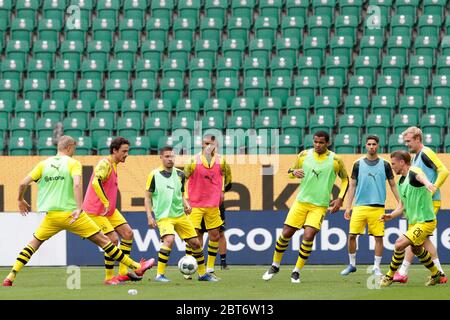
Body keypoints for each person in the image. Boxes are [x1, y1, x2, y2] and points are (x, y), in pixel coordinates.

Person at [2, 136, 154, 287]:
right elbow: (76, 185)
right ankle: (135, 266)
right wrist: (79, 208)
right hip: (72, 215)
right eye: (74, 148)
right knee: (106, 241)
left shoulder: (43, 164)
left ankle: (10, 277)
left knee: (33, 244)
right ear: (69, 147)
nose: (74, 151)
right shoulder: (73, 163)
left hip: (51, 217)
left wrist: (20, 200)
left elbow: (23, 183)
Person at [262, 130, 349, 283]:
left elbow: (345, 180)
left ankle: (296, 271)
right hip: (301, 202)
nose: (317, 145)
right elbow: (290, 172)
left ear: (327, 143)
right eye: (315, 141)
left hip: (319, 206)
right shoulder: (303, 155)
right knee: (286, 233)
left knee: (308, 235)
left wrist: (340, 199)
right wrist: (294, 172)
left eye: (321, 142)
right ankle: (275, 265)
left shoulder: (335, 160)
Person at [144, 146, 216, 281]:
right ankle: (159, 274)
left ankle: (202, 274)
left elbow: (181, 195)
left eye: (172, 156)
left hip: (180, 216)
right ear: (161, 158)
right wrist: (149, 215)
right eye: (166, 156)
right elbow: (147, 197)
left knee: (195, 243)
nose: (170, 159)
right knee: (169, 240)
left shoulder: (180, 174)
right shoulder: (154, 174)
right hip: (164, 216)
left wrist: (186, 204)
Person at [379, 150, 447, 287]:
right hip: (414, 223)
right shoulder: (400, 182)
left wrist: (428, 183)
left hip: (425, 222)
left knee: (399, 244)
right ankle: (436, 274)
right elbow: (402, 205)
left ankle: (389, 276)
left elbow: (420, 177)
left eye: (393, 164)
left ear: (402, 162)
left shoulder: (413, 171)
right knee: (416, 249)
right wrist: (391, 215)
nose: (392, 166)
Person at [393, 127, 449, 284]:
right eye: (405, 142)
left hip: (430, 202)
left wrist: (433, 189)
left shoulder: (426, 152)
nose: (407, 144)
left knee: (413, 238)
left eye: (409, 141)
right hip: (423, 204)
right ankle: (440, 274)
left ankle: (403, 271)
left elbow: (444, 171)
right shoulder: (417, 156)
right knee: (423, 240)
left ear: (418, 139)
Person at [340, 135, 400, 276]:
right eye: (369, 144)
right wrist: (348, 207)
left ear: (378, 146)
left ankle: (376, 267)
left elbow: (393, 185)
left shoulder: (385, 164)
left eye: (374, 144)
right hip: (360, 206)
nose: (371, 146)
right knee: (351, 236)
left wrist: (400, 203)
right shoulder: (358, 164)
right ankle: (352, 265)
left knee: (378, 238)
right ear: (365, 146)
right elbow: (352, 186)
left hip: (378, 207)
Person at [82, 137, 137, 285]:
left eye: (128, 151)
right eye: (124, 151)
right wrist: (106, 201)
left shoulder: (114, 164)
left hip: (109, 210)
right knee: (112, 240)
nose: (127, 154)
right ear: (114, 150)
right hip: (96, 210)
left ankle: (123, 273)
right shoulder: (105, 163)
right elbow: (95, 181)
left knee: (128, 233)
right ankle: (109, 278)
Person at [184, 134, 232, 280]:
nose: (208, 146)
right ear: (202, 145)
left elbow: (228, 179)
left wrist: (222, 191)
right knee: (193, 236)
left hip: (212, 205)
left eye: (210, 143)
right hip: (195, 204)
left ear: (215, 144)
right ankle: (188, 266)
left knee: (215, 235)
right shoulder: (193, 161)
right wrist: (185, 199)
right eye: (205, 143)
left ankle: (209, 268)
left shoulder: (222, 161)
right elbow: (182, 180)